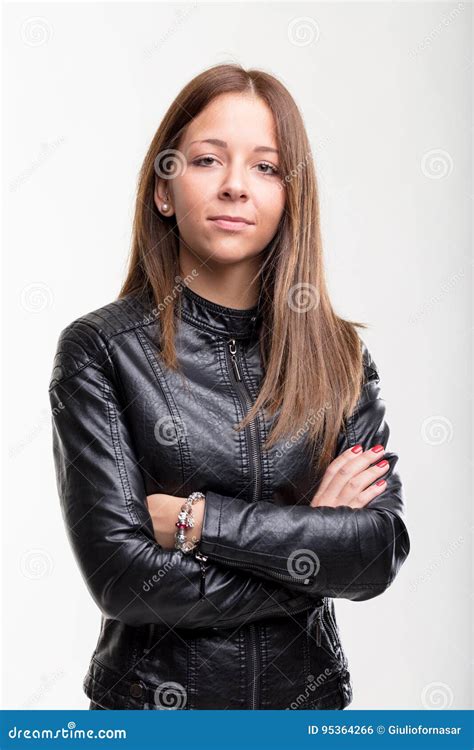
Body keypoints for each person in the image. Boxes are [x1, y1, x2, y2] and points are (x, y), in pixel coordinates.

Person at [48, 63, 410, 711]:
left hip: (308, 711)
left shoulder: (339, 355)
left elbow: (376, 553)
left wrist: (197, 520)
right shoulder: (100, 350)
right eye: (208, 160)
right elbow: (124, 580)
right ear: (164, 191)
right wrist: (312, 542)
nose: (237, 186)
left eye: (267, 167)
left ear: (290, 197)